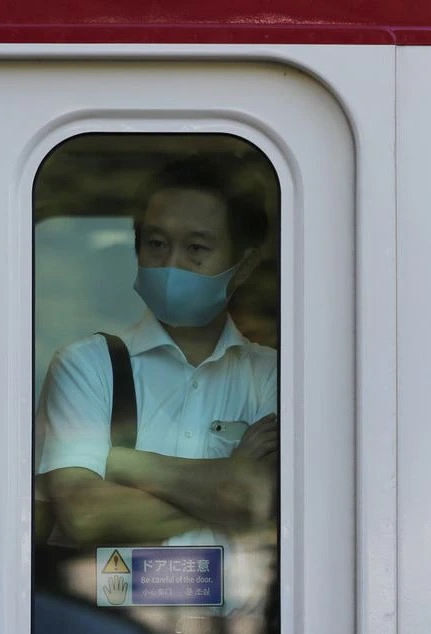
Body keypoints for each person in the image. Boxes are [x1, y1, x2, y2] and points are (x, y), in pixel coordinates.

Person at [34, 156, 279, 625]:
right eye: (156, 243)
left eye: (196, 248)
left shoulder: (274, 376)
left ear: (244, 265)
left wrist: (121, 462)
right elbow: (85, 515)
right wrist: (228, 482)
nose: (171, 264)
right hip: (107, 624)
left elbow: (257, 500)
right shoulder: (87, 365)